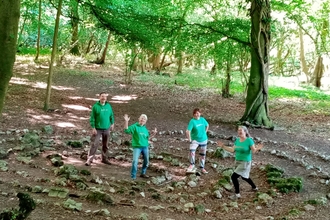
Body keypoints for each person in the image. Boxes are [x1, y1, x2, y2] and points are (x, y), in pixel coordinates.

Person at [217, 126, 264, 200]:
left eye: (241, 130)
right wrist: (223, 146)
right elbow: (232, 150)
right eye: (238, 130)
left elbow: (253, 150)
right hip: (237, 161)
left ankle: (237, 194)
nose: (239, 131)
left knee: (234, 177)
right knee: (244, 176)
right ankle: (254, 187)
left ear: (245, 132)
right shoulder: (237, 140)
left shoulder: (249, 140)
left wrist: (258, 148)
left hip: (245, 162)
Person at [123, 114, 157, 180]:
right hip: (137, 147)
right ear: (139, 119)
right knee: (135, 161)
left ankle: (143, 173)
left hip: (145, 147)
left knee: (146, 161)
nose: (142, 120)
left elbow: (147, 138)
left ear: (146, 121)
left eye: (144, 119)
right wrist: (126, 121)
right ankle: (133, 176)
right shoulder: (135, 126)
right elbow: (126, 130)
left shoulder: (145, 129)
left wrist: (154, 134)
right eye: (141, 118)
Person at [85, 92, 115, 166]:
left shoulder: (108, 106)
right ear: (99, 97)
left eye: (105, 96)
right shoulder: (95, 106)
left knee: (106, 144)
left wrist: (112, 123)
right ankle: (89, 159)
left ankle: (104, 159)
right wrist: (93, 127)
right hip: (97, 129)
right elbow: (92, 118)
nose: (103, 98)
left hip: (107, 128)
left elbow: (111, 115)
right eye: (102, 96)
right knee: (94, 144)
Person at [186, 108, 209, 174]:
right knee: (192, 150)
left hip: (204, 139)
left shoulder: (202, 119)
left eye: (198, 113)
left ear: (200, 113)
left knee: (203, 154)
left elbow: (207, 125)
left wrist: (205, 132)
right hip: (195, 140)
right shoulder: (192, 121)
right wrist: (189, 139)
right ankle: (192, 164)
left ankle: (202, 168)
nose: (196, 114)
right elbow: (188, 131)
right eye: (195, 113)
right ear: (193, 114)